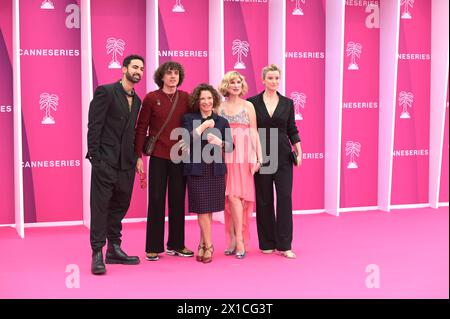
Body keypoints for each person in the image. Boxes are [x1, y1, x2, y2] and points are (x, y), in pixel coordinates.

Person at [86, 54, 145, 275]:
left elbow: (131, 133)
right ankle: (97, 254)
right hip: (105, 162)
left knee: (120, 206)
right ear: (124, 69)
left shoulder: (137, 100)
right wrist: (95, 158)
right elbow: (94, 126)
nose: (138, 71)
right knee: (100, 208)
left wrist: (136, 157)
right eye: (134, 67)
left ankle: (114, 248)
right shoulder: (106, 91)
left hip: (126, 164)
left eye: (141, 68)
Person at [134, 61, 194, 261]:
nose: (173, 77)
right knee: (157, 200)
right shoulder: (151, 98)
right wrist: (138, 156)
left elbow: (197, 119)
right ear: (161, 77)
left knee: (177, 200)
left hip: (179, 156)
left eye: (176, 73)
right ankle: (153, 247)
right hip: (158, 156)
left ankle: (177, 244)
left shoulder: (186, 97)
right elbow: (141, 127)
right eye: (169, 74)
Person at [247, 64, 302, 259]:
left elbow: (292, 128)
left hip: (283, 155)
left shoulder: (287, 103)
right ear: (263, 80)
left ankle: (285, 244)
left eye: (277, 78)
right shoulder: (252, 103)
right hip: (262, 156)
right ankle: (267, 242)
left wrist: (299, 150)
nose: (274, 81)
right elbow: (249, 131)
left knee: (285, 198)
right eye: (270, 78)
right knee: (264, 200)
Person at [182, 83, 234, 263]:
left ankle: (203, 244)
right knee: (202, 209)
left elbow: (230, 146)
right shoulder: (189, 118)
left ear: (214, 100)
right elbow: (186, 140)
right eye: (203, 98)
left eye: (210, 98)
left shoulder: (222, 121)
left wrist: (219, 142)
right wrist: (204, 127)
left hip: (215, 169)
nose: (206, 102)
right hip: (196, 169)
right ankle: (209, 245)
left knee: (207, 210)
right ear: (197, 100)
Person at [217, 71, 262, 259]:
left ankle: (239, 239)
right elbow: (217, 132)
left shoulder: (248, 105)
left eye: (238, 82)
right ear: (226, 86)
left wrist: (259, 157)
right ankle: (235, 238)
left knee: (239, 199)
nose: (235, 85)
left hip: (243, 156)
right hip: (225, 154)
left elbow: (253, 132)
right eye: (232, 82)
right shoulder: (219, 106)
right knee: (230, 199)